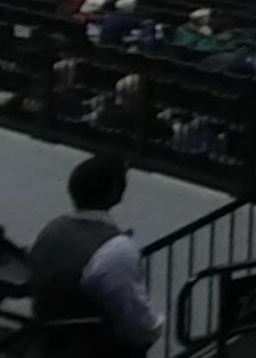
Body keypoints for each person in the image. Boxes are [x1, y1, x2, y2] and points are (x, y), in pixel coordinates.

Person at [29, 153, 162, 358]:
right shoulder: (116, 249)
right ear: (116, 192)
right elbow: (138, 323)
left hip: (47, 345)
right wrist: (156, 326)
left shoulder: (52, 229)